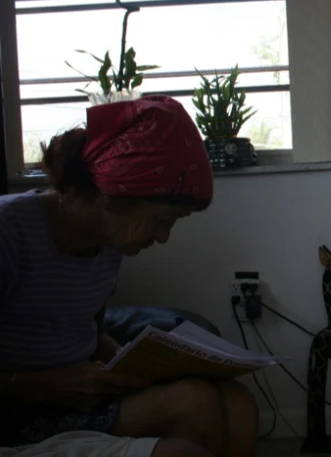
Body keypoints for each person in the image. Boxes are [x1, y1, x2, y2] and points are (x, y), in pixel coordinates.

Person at [0, 95, 259, 457]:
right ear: (113, 196)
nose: (163, 237)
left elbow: (87, 332)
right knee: (194, 403)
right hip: (18, 410)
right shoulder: (9, 231)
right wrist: (50, 385)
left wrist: (133, 361)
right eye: (160, 220)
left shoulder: (108, 244)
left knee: (237, 402)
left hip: (71, 399)